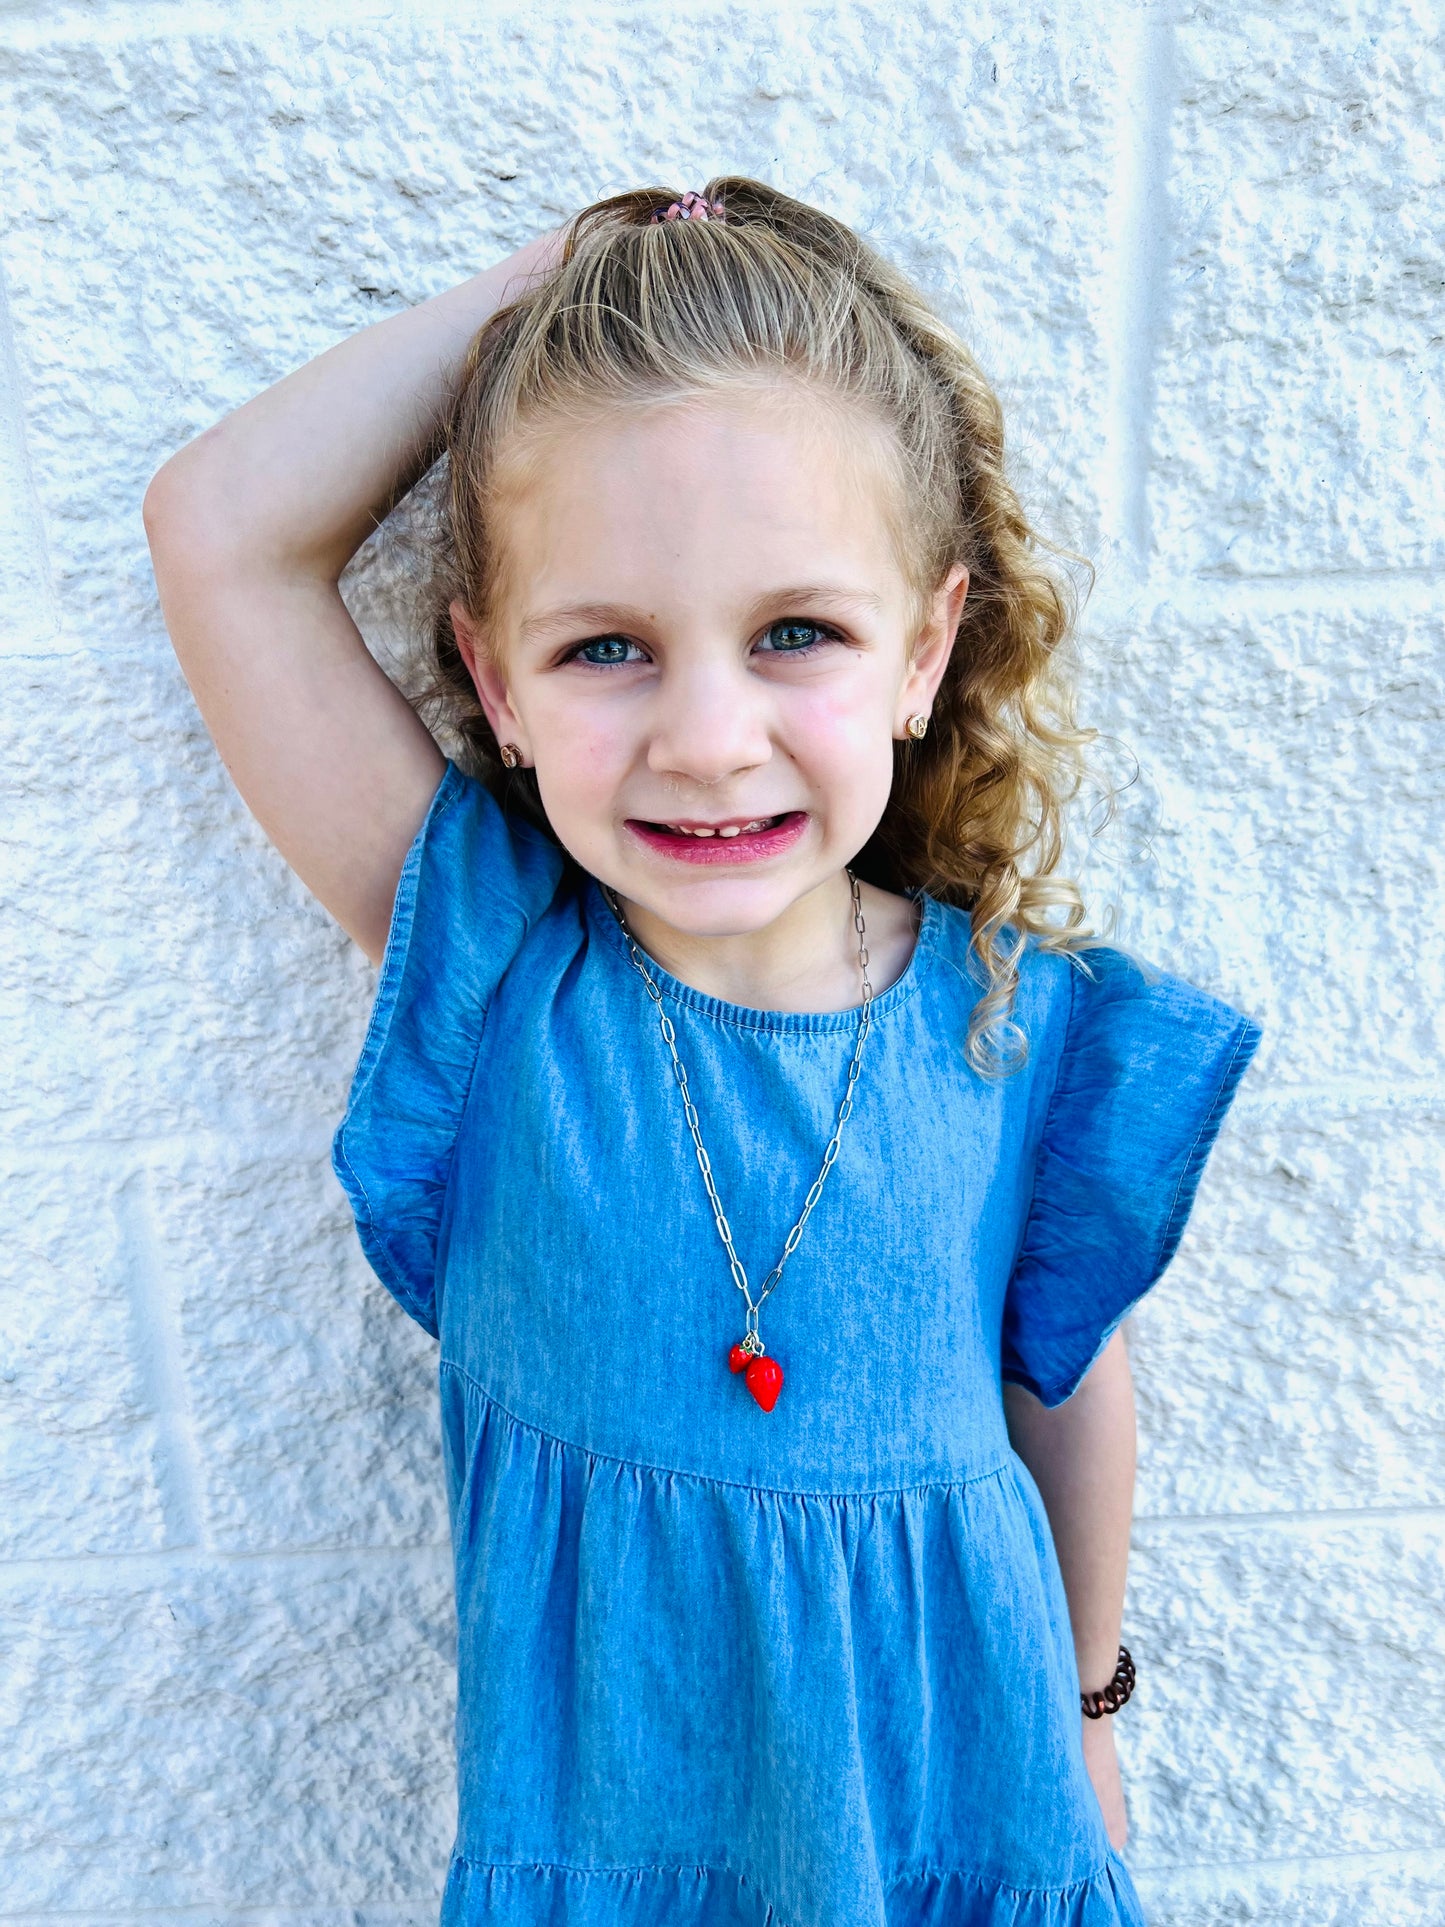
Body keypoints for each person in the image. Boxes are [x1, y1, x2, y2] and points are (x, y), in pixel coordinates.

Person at [143, 177, 1262, 1927]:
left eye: (794, 632)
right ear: (494, 689)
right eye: (604, 647)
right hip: (617, 1865)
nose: (708, 736)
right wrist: (547, 290)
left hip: (964, 1841)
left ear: (925, 648)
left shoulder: (1021, 1025)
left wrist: (1093, 1710)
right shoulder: (499, 983)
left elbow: (1067, 1385)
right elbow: (217, 528)